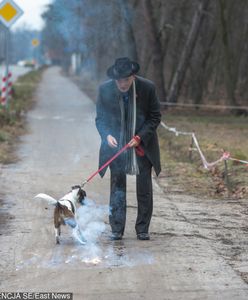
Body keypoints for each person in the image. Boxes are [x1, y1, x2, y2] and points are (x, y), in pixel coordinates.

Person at [95, 57, 161, 240]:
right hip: (116, 145)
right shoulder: (105, 89)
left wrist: (140, 137)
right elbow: (100, 118)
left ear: (133, 76)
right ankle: (116, 228)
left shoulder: (147, 88)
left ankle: (142, 228)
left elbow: (155, 117)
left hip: (142, 144)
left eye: (126, 80)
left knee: (144, 188)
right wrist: (106, 135)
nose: (122, 84)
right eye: (119, 80)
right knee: (117, 187)